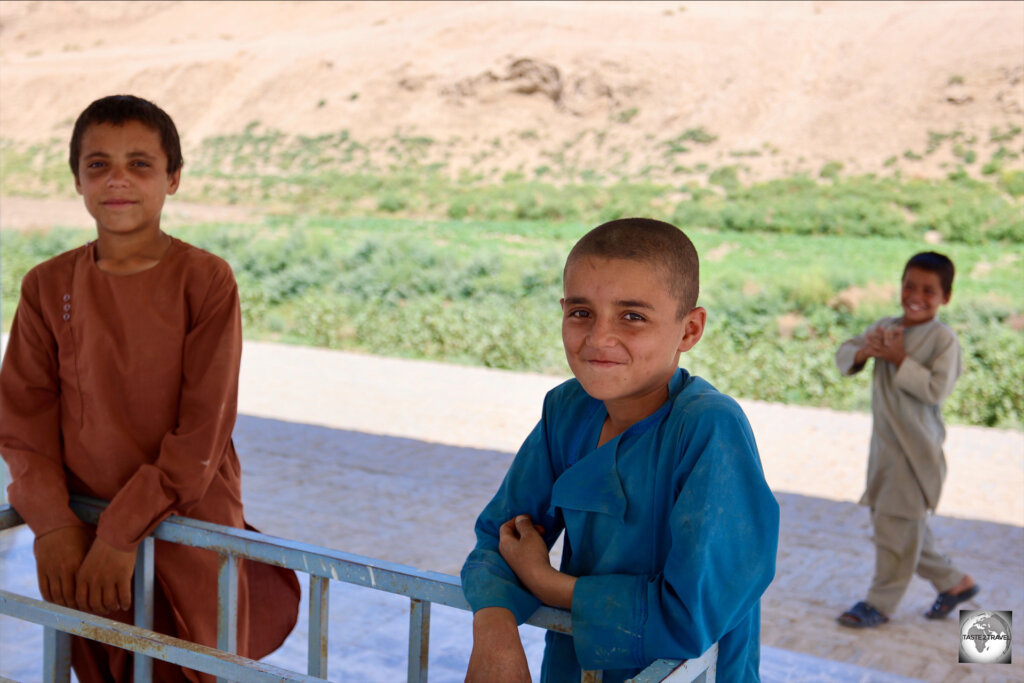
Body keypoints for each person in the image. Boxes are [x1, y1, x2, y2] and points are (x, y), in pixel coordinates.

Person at [0, 94, 300, 682]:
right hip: (79, 528)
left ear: (174, 178)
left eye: (140, 164)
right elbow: (23, 418)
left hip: (185, 519)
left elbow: (203, 427)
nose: (118, 180)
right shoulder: (47, 284)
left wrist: (123, 530)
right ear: (77, 180)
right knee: (96, 658)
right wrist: (55, 525)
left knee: (188, 662)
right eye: (98, 165)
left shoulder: (205, 280)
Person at [460, 218, 780, 683]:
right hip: (576, 670)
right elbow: (499, 538)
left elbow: (690, 616)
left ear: (689, 330)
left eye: (632, 316)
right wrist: (495, 629)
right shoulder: (567, 409)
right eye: (581, 312)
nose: (598, 338)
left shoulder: (708, 428)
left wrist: (546, 582)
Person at [835, 251, 977, 629]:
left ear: (945, 296)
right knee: (898, 524)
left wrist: (899, 358)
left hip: (916, 452)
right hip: (884, 449)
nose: (916, 295)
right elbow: (844, 354)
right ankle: (955, 583)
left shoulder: (943, 340)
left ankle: (879, 603)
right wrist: (867, 350)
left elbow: (935, 390)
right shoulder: (885, 327)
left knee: (895, 530)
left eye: (928, 290)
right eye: (909, 285)